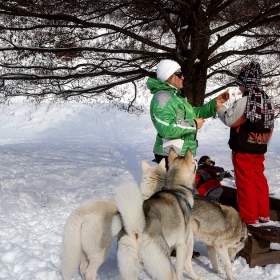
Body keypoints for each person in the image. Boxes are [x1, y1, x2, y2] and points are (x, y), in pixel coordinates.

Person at [217, 61, 274, 225]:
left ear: (246, 83)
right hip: (259, 148)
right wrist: (260, 144)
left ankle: (249, 219)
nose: (239, 88)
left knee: (245, 182)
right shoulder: (266, 101)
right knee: (259, 181)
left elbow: (230, 120)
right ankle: (263, 214)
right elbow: (269, 128)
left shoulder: (245, 101)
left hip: (243, 150)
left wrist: (219, 108)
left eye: (240, 84)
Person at [147, 59, 229, 170]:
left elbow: (195, 113)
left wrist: (215, 103)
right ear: (168, 77)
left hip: (179, 153)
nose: (183, 77)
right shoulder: (162, 97)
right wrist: (193, 124)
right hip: (170, 155)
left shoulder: (175, 98)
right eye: (179, 74)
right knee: (177, 187)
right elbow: (166, 128)